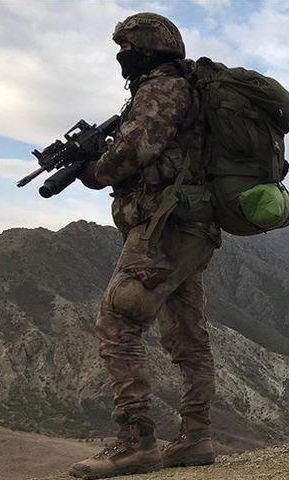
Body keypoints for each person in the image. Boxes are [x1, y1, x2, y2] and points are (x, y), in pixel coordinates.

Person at [69, 12, 220, 479]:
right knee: (186, 334)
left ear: (149, 49)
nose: (121, 59)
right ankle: (196, 436)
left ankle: (137, 442)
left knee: (117, 323)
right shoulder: (184, 89)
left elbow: (132, 153)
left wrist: (92, 169)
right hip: (190, 227)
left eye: (127, 50)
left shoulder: (162, 89)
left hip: (164, 228)